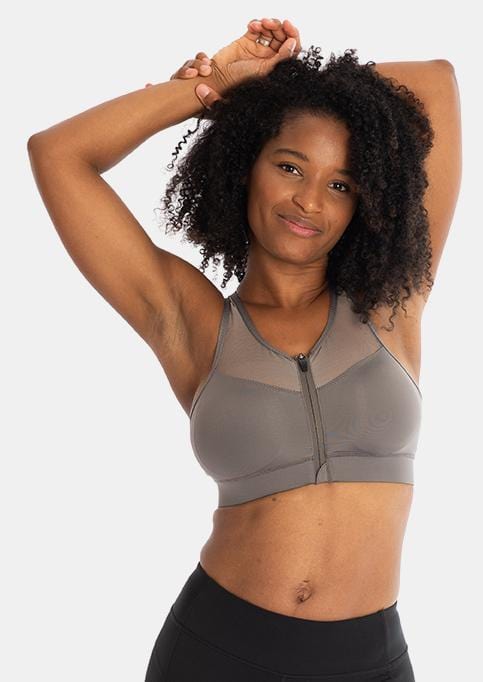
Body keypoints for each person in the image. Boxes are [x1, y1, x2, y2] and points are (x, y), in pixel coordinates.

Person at [27, 16, 461, 682]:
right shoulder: (191, 320)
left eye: (340, 184)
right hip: (220, 652)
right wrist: (220, 89)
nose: (309, 201)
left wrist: (287, 85)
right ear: (246, 166)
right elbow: (57, 153)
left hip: (371, 662)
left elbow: (436, 83)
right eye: (290, 166)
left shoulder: (392, 303)